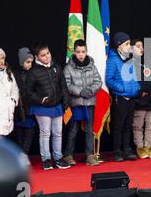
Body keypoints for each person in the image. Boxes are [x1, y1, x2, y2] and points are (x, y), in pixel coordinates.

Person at [26, 42, 71, 170]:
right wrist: (40, 100)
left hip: (57, 106)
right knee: (45, 133)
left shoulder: (56, 67)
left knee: (58, 133)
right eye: (43, 55)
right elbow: (28, 91)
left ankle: (58, 158)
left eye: (48, 53)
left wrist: (65, 102)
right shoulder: (33, 72)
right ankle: (46, 159)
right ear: (37, 57)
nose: (47, 57)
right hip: (42, 107)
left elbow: (63, 86)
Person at [63, 39, 102, 166]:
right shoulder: (68, 68)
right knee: (73, 130)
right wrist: (80, 92)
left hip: (89, 103)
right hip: (76, 103)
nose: (81, 54)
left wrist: (90, 90)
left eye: (83, 52)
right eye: (78, 52)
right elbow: (67, 85)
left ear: (86, 52)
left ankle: (90, 155)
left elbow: (98, 81)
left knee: (89, 130)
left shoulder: (92, 65)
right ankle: (68, 155)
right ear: (74, 52)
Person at [106, 32, 141, 162]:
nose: (129, 46)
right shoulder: (113, 60)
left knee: (128, 125)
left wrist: (136, 88)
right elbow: (109, 80)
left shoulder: (130, 59)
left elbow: (135, 76)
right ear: (119, 46)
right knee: (118, 126)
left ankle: (127, 149)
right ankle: (117, 151)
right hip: (120, 98)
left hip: (131, 97)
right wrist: (123, 89)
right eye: (126, 44)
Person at [131, 38, 151, 159]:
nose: (141, 48)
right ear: (131, 48)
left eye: (142, 46)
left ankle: (148, 146)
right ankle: (140, 147)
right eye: (138, 46)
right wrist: (139, 93)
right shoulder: (129, 64)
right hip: (139, 101)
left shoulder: (145, 64)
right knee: (138, 125)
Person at [13, 48, 36, 164]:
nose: (30, 65)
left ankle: (24, 154)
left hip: (31, 106)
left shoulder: (34, 72)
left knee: (30, 131)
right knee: (19, 132)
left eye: (31, 62)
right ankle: (19, 154)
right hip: (19, 107)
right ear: (22, 62)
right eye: (27, 62)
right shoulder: (15, 74)